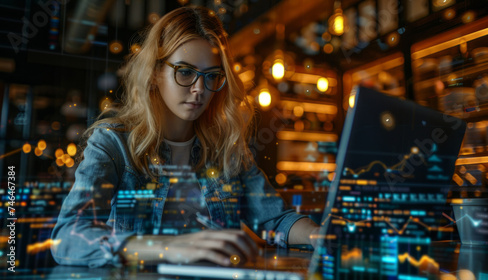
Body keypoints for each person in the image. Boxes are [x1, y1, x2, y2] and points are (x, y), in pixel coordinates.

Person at [50, 6, 319, 268]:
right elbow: (68, 238)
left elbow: (277, 220)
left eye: (212, 76)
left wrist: (320, 236)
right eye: (186, 72)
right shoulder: (112, 143)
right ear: (155, 73)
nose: (200, 89)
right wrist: (172, 247)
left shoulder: (226, 147)